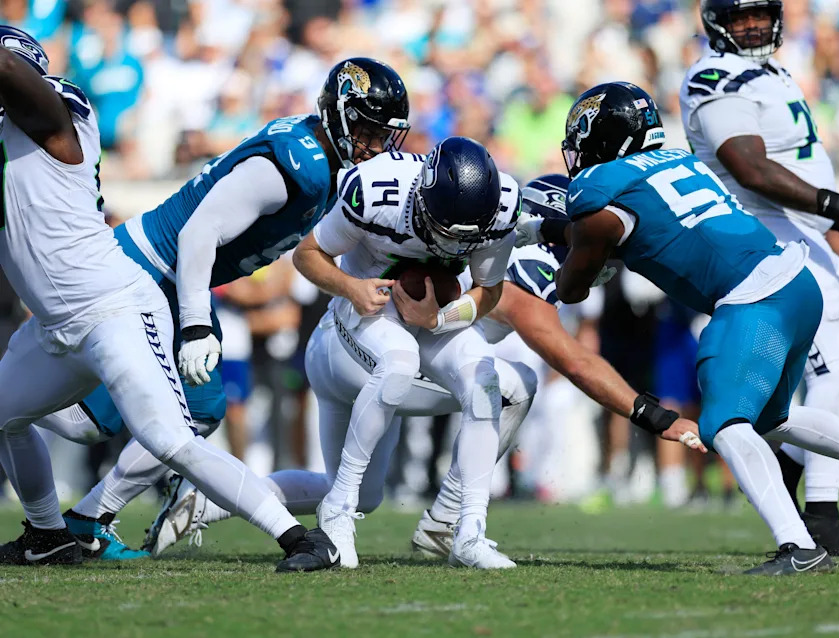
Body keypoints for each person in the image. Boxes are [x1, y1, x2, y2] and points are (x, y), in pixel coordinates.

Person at [145, 175, 704, 562]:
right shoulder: (516, 270)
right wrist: (657, 417)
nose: (600, 263)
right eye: (589, 247)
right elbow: (574, 359)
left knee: (363, 495)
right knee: (515, 384)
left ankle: (215, 501)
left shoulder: (497, 235)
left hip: (373, 354)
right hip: (363, 349)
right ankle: (449, 519)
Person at [516, 81, 839, 574]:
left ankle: (799, 547)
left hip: (749, 298)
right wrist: (550, 230)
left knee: (722, 423)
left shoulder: (598, 191)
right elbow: (623, 227)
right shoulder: (677, 160)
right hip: (795, 281)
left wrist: (557, 243)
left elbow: (574, 285)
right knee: (772, 418)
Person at [20, 56, 411, 572]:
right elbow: (197, 233)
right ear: (337, 114)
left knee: (195, 410)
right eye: (365, 128)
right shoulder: (301, 162)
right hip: (149, 269)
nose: (373, 144)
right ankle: (68, 494)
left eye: (383, 133)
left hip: (172, 274)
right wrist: (197, 324)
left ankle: (89, 519)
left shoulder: (327, 166)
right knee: (89, 422)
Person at [679, 0, 839, 555]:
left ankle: (785, 460)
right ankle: (820, 518)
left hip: (806, 231)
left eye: (759, 13)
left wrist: (830, 212)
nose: (752, 25)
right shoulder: (714, 76)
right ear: (715, 24)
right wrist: (837, 204)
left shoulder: (773, 69)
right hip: (766, 233)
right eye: (739, 17)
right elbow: (747, 165)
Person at [287, 136, 519, 570]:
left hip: (430, 314)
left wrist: (438, 321)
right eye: (444, 232)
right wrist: (350, 287)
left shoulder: (503, 204)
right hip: (364, 309)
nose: (451, 247)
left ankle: (469, 532)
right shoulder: (376, 190)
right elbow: (308, 254)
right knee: (399, 361)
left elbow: (489, 292)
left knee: (484, 379)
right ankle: (337, 511)